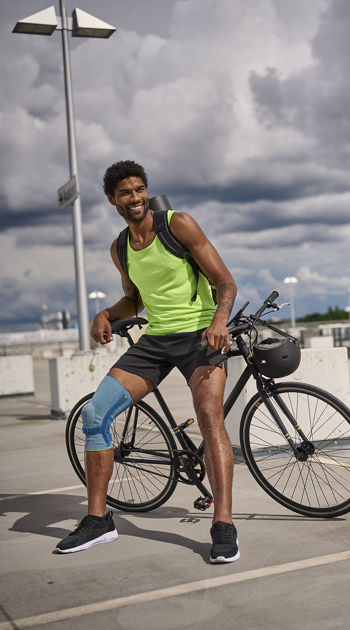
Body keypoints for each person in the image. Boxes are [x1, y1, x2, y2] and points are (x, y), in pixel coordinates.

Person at [55, 160, 239, 563]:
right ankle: (99, 520)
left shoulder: (178, 224)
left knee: (210, 417)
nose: (135, 198)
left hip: (200, 336)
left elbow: (226, 281)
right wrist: (106, 314)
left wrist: (219, 320)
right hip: (156, 341)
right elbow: (133, 300)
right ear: (112, 199)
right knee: (95, 414)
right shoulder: (120, 247)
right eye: (125, 192)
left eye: (139, 189)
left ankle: (223, 524)